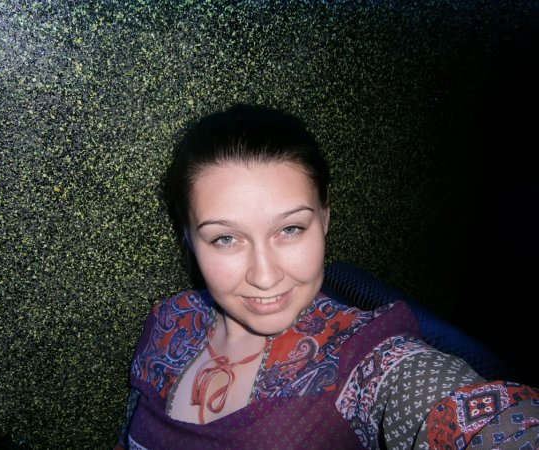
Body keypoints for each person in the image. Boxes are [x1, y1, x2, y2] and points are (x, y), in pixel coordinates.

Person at [115, 104, 539, 449]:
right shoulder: (169, 321)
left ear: (324, 218)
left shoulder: (361, 354)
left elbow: (476, 418)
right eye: (225, 238)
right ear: (189, 238)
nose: (264, 276)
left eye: (290, 229)